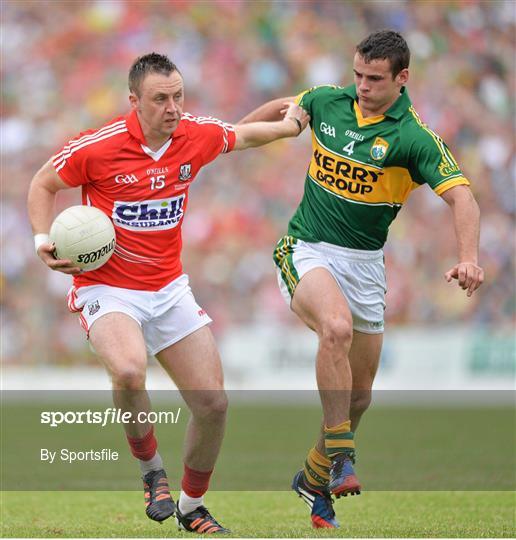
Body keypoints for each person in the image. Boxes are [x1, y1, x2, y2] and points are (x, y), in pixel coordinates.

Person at [28, 52, 309, 534]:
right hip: (108, 287)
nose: (173, 107)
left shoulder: (193, 135)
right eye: (161, 99)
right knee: (130, 369)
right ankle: (151, 472)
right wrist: (40, 240)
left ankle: (191, 506)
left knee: (214, 405)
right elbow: (43, 183)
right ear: (134, 101)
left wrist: (292, 120)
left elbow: (241, 135)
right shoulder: (98, 146)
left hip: (169, 289)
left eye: (178, 96)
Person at [238, 30, 484, 529]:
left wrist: (469, 257)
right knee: (336, 327)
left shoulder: (413, 138)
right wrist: (225, 138)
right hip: (306, 248)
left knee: (360, 397)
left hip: (366, 264)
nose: (362, 86)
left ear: (402, 79)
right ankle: (343, 461)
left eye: (374, 79)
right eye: (358, 75)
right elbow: (285, 105)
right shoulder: (330, 101)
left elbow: (463, 197)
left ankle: (312, 476)